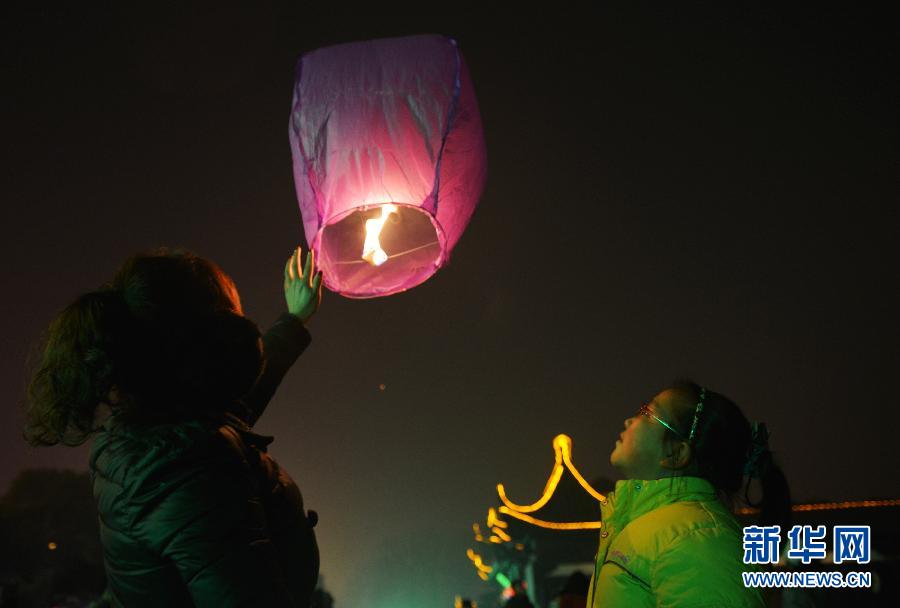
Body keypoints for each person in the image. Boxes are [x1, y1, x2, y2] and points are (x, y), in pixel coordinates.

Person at [25, 246, 323, 607]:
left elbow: (230, 409)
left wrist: (293, 322)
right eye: (232, 312)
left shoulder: (158, 426)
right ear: (209, 338)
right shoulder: (188, 469)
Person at [587, 382, 791, 607]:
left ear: (676, 453)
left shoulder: (701, 541)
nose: (629, 420)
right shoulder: (658, 528)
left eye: (647, 413)